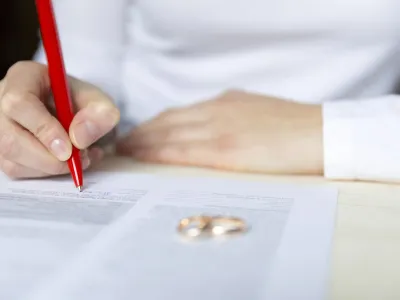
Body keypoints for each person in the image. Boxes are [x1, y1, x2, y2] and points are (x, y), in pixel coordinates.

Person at [0, 0, 399, 183]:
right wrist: (55, 109)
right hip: (138, 161)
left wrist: (329, 131)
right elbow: (89, 57)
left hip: (359, 176)